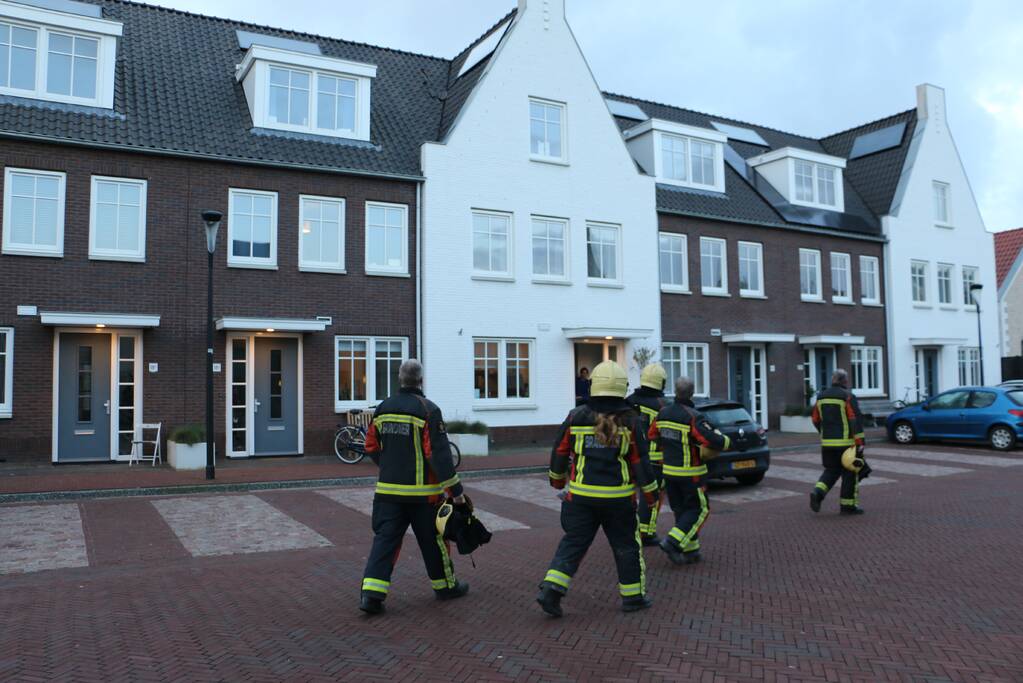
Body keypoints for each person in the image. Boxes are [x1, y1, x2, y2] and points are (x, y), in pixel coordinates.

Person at [537, 360, 659, 617]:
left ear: (594, 385)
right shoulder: (632, 420)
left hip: (581, 497)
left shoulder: (576, 415)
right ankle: (633, 597)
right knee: (626, 546)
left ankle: (551, 590)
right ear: (622, 387)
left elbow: (559, 451)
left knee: (573, 544)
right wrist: (651, 495)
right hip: (619, 500)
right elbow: (640, 462)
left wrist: (557, 481)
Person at [359, 359, 469, 615]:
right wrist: (457, 492)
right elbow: (439, 456)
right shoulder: (428, 410)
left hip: (387, 494)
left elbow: (371, 447)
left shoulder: (383, 408)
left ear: (400, 378)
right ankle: (445, 587)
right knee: (434, 543)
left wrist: (387, 466)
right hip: (424, 498)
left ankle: (371, 596)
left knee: (385, 543)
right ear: (421, 380)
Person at [648, 376, 730, 566]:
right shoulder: (693, 416)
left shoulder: (662, 413)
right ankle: (673, 543)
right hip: (691, 473)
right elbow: (712, 439)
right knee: (701, 509)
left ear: (674, 391)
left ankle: (691, 550)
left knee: (682, 511)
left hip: (669, 472)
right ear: (692, 393)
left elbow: (652, 435)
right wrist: (726, 441)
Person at [809, 369, 867, 515]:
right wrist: (860, 443)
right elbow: (855, 420)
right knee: (850, 473)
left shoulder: (821, 397)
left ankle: (818, 492)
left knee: (831, 471)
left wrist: (823, 433)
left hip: (827, 444)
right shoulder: (847, 396)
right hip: (846, 444)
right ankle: (847, 506)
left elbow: (815, 419)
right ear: (844, 381)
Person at [627, 363, 668, 546]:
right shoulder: (662, 406)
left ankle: (630, 528)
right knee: (652, 496)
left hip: (628, 458)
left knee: (629, 495)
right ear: (661, 382)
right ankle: (647, 533)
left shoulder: (629, 401)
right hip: (654, 461)